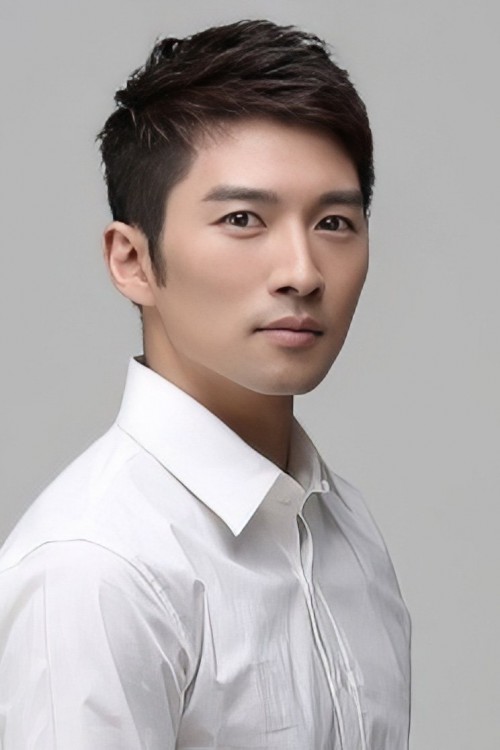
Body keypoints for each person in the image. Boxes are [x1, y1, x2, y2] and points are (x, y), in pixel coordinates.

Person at [0, 19, 411, 749]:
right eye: (243, 219)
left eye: (334, 222)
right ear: (132, 261)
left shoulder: (346, 529)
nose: (303, 272)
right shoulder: (94, 567)